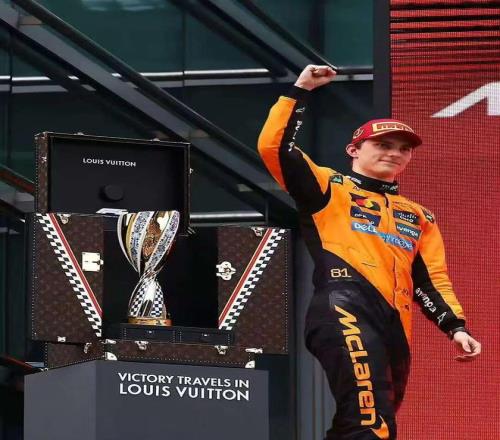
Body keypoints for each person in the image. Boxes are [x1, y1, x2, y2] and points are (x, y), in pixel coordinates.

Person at [257, 65, 481, 439]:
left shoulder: (419, 215)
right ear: (354, 150)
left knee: (376, 423)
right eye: (382, 145)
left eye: (403, 149)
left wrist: (454, 326)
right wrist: (300, 90)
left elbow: (430, 280)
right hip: (345, 307)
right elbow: (274, 148)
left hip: (395, 324)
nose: (395, 153)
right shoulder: (329, 187)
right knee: (369, 422)